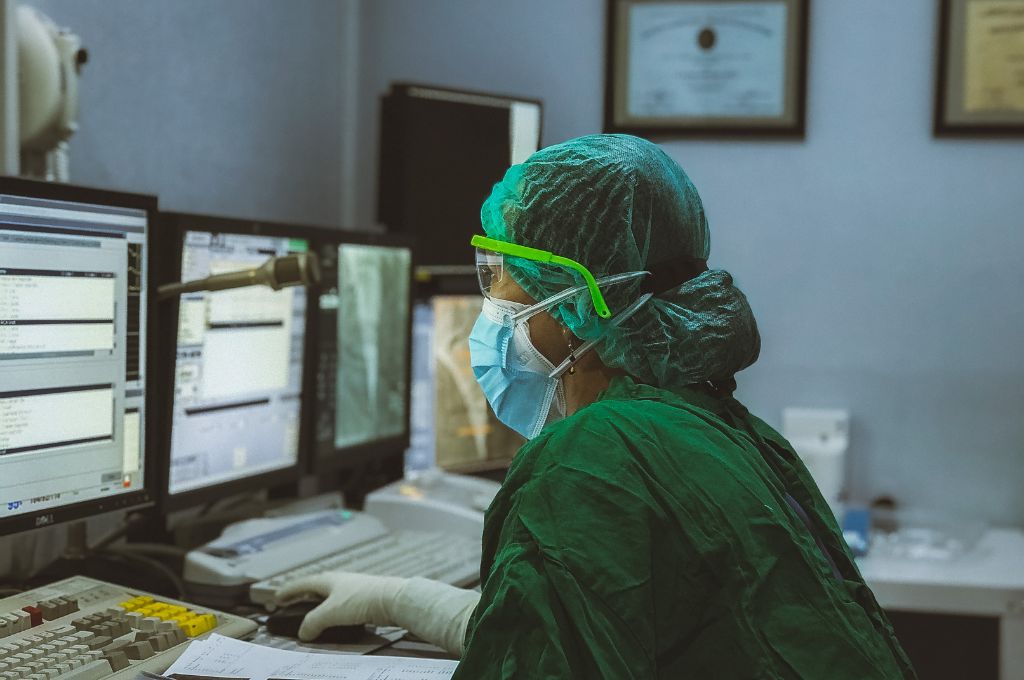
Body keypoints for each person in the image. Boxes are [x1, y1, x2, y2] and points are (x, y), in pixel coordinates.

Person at [278, 134, 916, 678]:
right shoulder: (717, 426)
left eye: (498, 274)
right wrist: (400, 597)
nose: (490, 301)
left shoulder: (591, 459)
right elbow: (584, 638)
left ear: (577, 300)